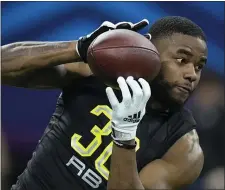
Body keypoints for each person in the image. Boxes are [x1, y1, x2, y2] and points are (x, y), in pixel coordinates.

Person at [2, 16, 208, 190]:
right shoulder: (94, 71)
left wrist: (125, 136)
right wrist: (78, 48)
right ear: (151, 51)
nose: (192, 75)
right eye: (182, 60)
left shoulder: (184, 149)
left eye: (199, 66)